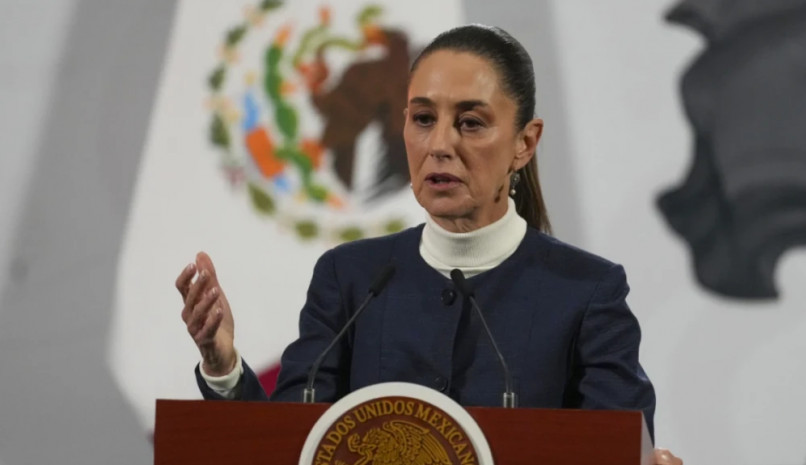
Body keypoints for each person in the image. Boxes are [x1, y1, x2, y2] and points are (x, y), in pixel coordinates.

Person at [176, 24, 683, 464]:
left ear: (525, 143)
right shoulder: (350, 279)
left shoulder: (587, 292)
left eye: (471, 123)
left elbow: (616, 449)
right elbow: (290, 446)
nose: (440, 145)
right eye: (423, 119)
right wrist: (223, 367)